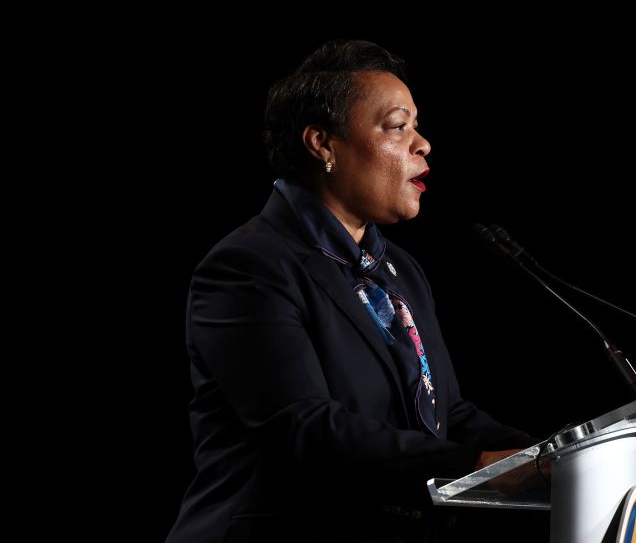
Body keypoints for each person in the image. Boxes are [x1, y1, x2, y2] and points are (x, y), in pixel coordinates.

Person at [166, 39, 544, 543]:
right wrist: (476, 463)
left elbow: (445, 413)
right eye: (397, 126)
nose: (422, 143)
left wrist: (552, 456)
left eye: (417, 125)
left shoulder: (398, 271)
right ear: (323, 144)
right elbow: (304, 427)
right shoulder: (249, 266)